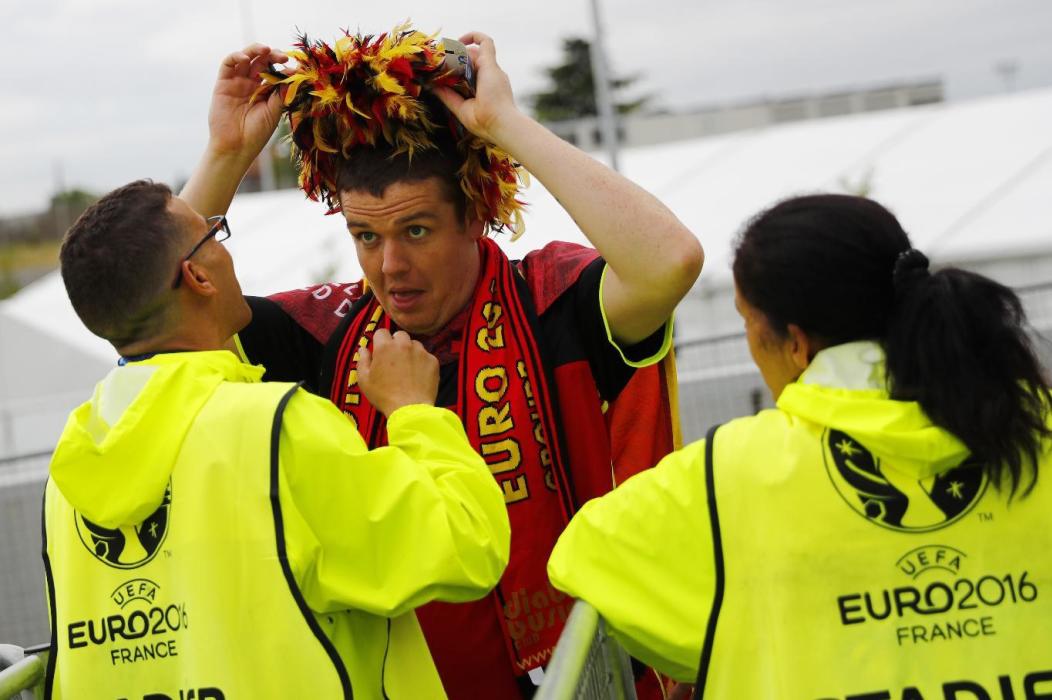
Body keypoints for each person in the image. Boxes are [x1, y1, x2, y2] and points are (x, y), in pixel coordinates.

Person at [180, 29, 702, 698]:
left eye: (416, 231)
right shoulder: (322, 332)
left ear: (477, 215)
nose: (389, 266)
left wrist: (503, 125)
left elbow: (672, 261)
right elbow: (166, 308)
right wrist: (226, 155)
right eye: (365, 236)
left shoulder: (547, 299)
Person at [548, 194, 1052, 698]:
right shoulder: (1033, 423)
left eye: (747, 320)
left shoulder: (731, 472)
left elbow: (580, 557)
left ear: (794, 342)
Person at [43, 180, 511, 699]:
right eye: (213, 236)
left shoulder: (71, 465)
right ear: (198, 276)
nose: (225, 250)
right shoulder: (277, 428)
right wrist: (412, 411)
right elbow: (468, 546)